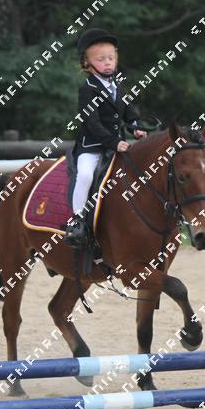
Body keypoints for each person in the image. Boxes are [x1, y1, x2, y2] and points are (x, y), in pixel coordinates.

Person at [64, 28, 147, 247]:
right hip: (92, 147)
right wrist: (114, 142)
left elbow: (128, 110)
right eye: (101, 60)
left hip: (116, 146)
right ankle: (77, 221)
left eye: (111, 58)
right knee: (85, 175)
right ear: (87, 64)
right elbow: (92, 124)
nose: (107, 63)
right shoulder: (88, 89)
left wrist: (136, 126)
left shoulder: (116, 85)